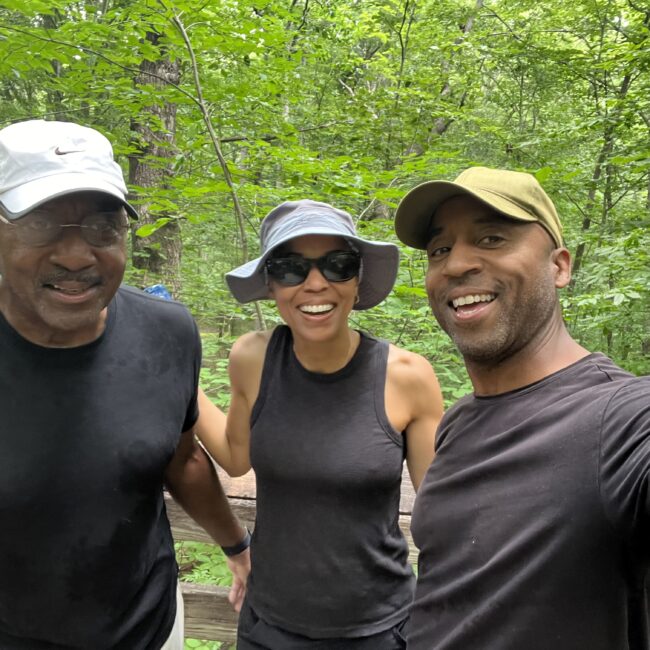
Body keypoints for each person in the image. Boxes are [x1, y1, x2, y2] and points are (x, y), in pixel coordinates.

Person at [0, 119, 250, 650]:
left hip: (149, 627)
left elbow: (181, 460)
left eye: (102, 227)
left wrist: (236, 544)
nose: (75, 255)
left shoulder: (167, 331)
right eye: (42, 224)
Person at [394, 166, 650, 650]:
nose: (455, 265)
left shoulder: (620, 421)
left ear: (559, 266)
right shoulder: (459, 422)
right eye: (439, 250)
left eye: (491, 238)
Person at [195, 199, 444, 649]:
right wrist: (179, 383)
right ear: (270, 284)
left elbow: (440, 516)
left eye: (337, 265)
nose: (315, 284)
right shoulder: (252, 358)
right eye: (291, 268)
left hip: (379, 628)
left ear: (357, 280)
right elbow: (235, 458)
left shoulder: (409, 377)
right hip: (269, 625)